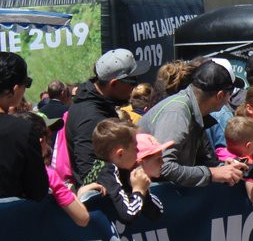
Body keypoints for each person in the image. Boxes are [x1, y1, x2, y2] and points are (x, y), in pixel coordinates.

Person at [138, 61, 248, 188]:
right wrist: (212, 173)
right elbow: (164, 166)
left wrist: (222, 167)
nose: (228, 100)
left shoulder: (194, 111)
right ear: (220, 95)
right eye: (229, 94)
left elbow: (197, 163)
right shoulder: (177, 112)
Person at [66, 49, 149, 185]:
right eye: (132, 82)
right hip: (107, 202)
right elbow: (89, 175)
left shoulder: (99, 103)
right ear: (114, 84)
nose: (134, 87)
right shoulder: (91, 117)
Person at [16, 112, 101, 225]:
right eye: (47, 138)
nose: (49, 145)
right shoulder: (46, 175)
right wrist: (81, 192)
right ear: (40, 142)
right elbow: (82, 218)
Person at [91, 119, 165, 223]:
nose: (138, 152)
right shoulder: (106, 172)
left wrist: (144, 190)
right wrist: (139, 190)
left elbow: (157, 212)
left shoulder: (124, 169)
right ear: (120, 154)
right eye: (135, 148)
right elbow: (128, 214)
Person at [0, 53, 48, 200]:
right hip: (11, 219)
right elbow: (38, 191)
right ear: (14, 89)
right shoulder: (23, 130)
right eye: (25, 84)